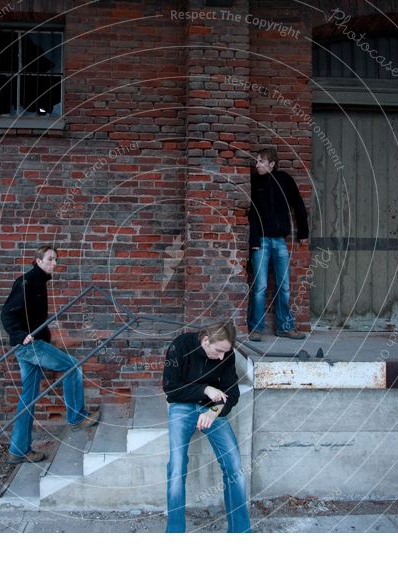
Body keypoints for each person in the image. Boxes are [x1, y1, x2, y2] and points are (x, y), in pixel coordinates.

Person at [1, 245, 100, 464]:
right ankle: (77, 417)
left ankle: (18, 450)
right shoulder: (26, 282)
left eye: (56, 259)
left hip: (27, 347)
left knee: (28, 397)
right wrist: (20, 334)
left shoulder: (38, 281)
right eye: (50, 259)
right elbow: (7, 313)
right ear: (38, 261)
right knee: (72, 365)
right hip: (30, 346)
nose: (54, 263)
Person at [162, 320, 251, 533]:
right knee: (176, 467)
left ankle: (240, 531)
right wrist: (206, 390)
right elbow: (171, 390)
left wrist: (214, 410)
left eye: (225, 352)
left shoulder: (226, 354)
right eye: (218, 350)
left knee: (235, 466)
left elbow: (233, 394)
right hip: (182, 407)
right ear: (205, 340)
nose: (221, 357)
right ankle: (174, 532)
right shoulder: (180, 346)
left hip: (212, 410)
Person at [247, 147, 309, 341]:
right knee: (260, 286)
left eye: (260, 161)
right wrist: (254, 241)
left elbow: (298, 205)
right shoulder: (254, 182)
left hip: (280, 241)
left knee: (285, 286)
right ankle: (256, 328)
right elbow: (251, 213)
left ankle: (285, 327)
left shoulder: (285, 180)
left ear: (271, 164)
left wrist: (303, 233)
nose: (256, 165)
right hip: (262, 242)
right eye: (256, 161)